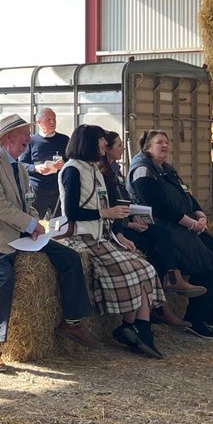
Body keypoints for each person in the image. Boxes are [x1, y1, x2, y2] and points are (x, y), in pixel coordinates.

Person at [0, 113, 96, 373]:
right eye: (24, 134)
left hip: (21, 234)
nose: (28, 138)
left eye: (28, 134)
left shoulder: (19, 169)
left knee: (70, 258)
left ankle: (71, 321)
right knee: (3, 276)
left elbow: (29, 204)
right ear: (8, 137)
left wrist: (36, 224)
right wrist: (29, 224)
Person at [59, 124, 165, 359]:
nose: (104, 144)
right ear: (88, 142)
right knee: (133, 272)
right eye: (100, 139)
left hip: (101, 237)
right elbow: (71, 212)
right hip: (83, 238)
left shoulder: (93, 169)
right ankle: (135, 331)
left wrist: (116, 229)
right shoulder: (72, 170)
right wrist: (105, 213)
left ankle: (136, 328)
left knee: (145, 269)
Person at [128, 130, 213, 339]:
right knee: (209, 262)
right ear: (147, 147)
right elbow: (158, 205)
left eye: (167, 142)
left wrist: (200, 215)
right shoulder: (142, 170)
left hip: (186, 223)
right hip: (167, 226)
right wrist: (190, 223)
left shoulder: (166, 169)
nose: (165, 146)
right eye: (159, 142)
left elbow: (186, 194)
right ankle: (197, 319)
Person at [101, 130, 196, 326]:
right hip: (112, 229)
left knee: (159, 236)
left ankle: (167, 292)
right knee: (154, 247)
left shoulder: (115, 170)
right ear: (107, 149)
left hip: (123, 221)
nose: (122, 149)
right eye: (119, 145)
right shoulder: (103, 173)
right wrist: (128, 224)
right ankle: (160, 304)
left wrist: (132, 216)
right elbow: (105, 208)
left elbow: (122, 202)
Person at [19, 107, 69, 218]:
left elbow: (71, 161)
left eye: (54, 119)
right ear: (39, 122)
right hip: (37, 188)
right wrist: (36, 168)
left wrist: (64, 164)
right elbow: (21, 165)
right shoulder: (31, 141)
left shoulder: (64, 140)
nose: (52, 122)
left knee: (60, 223)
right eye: (48, 120)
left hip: (58, 188)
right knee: (34, 221)